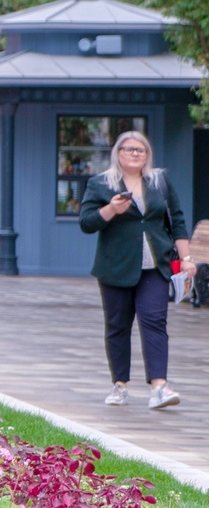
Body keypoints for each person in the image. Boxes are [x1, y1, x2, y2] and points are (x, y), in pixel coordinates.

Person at [79, 130, 191, 410]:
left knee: (154, 321)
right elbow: (87, 223)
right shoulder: (101, 183)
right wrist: (111, 210)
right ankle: (120, 385)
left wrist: (187, 258)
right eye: (129, 149)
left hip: (155, 265)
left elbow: (176, 220)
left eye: (141, 150)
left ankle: (160, 387)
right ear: (118, 153)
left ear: (147, 155)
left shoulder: (159, 181)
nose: (135, 154)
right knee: (118, 326)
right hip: (115, 265)